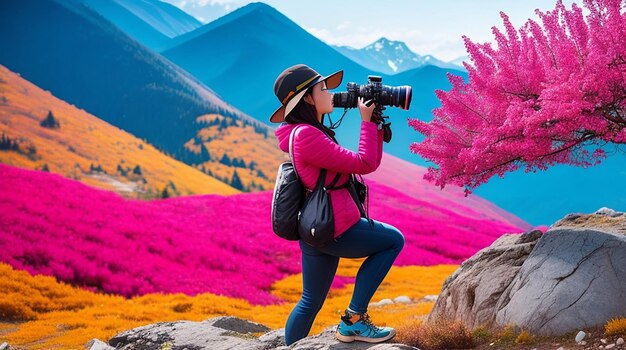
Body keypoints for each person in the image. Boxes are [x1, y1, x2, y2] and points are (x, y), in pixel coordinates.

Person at [271, 64, 405, 346]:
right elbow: (364, 163)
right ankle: (354, 321)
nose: (331, 93)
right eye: (323, 89)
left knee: (310, 301)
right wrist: (366, 122)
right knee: (393, 241)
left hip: (315, 227)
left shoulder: (303, 131)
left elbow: (366, 162)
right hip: (334, 227)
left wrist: (375, 125)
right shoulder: (308, 136)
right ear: (307, 98)